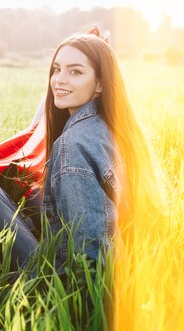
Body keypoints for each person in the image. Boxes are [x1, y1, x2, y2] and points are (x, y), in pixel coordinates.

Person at [38, 31, 161, 268]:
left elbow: (90, 255)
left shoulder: (73, 145)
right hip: (135, 258)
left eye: (75, 71)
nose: (59, 80)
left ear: (101, 84)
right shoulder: (111, 126)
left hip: (73, 278)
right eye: (56, 69)